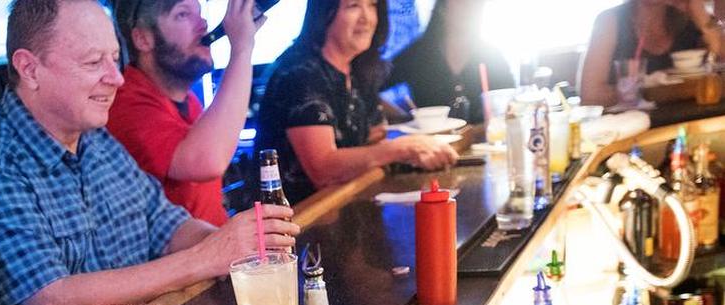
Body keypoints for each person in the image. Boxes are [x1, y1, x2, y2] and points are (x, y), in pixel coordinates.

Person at [0, 0, 298, 305]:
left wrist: (240, 245)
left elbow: (166, 224)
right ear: (29, 69)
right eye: (94, 62)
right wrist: (208, 257)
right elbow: (51, 301)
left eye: (114, 58)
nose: (117, 78)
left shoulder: (95, 139)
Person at [256, 0, 457, 204]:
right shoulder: (300, 74)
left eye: (372, 5)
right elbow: (323, 169)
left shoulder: (358, 69)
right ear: (324, 13)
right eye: (353, 6)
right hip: (299, 216)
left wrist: (414, 150)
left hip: (348, 203)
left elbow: (374, 141)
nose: (366, 18)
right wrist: (400, 149)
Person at [106, 0, 261, 226]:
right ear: (143, 39)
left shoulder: (188, 101)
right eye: (183, 14)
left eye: (199, 13)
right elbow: (208, 161)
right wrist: (241, 49)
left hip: (216, 242)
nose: (203, 24)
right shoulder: (126, 105)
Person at [385, 0, 513, 124]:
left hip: (482, 137)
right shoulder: (418, 53)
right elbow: (374, 85)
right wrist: (404, 117)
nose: (470, 8)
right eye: (462, 2)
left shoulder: (491, 56)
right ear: (442, 8)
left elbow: (512, 102)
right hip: (432, 138)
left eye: (476, 3)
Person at [579, 0, 725, 107]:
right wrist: (644, 90)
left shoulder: (690, 17)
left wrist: (702, 17)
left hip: (690, 123)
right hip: (630, 128)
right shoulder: (610, 20)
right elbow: (590, 96)